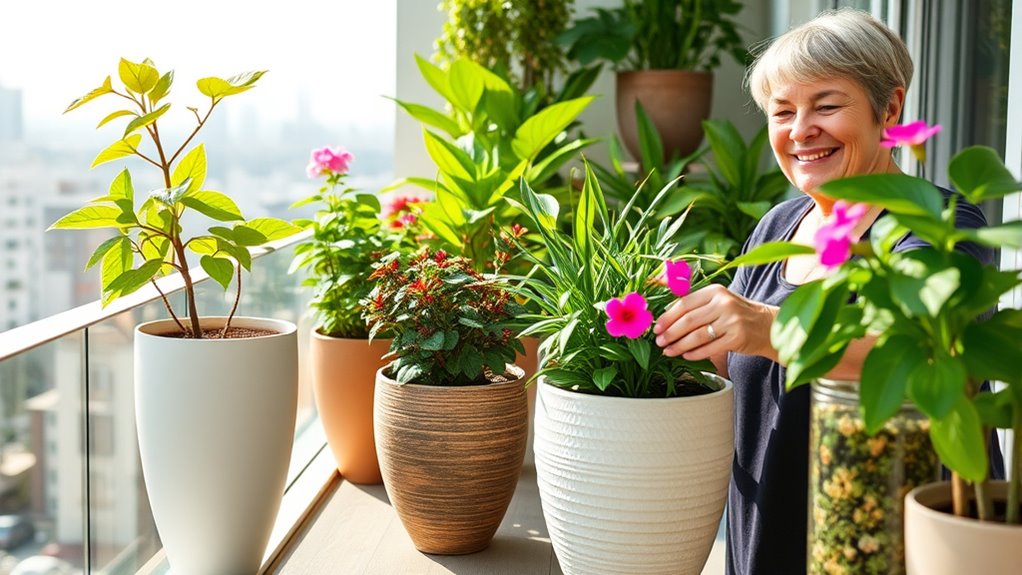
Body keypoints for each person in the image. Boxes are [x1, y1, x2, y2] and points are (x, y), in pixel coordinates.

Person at [652, 9, 997, 574]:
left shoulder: (939, 226)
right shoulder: (778, 228)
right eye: (783, 112)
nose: (800, 130)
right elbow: (734, 368)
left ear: (890, 108)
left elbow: (921, 357)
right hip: (764, 545)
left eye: (827, 106)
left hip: (890, 549)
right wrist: (666, 329)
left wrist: (766, 328)